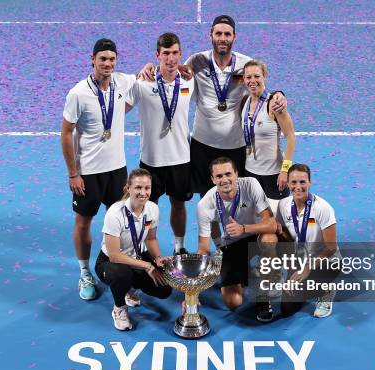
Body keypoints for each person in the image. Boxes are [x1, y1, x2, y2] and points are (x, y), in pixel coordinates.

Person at [140, 15, 287, 253]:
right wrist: (149, 67)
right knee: (209, 200)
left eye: (227, 34)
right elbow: (172, 69)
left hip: (236, 146)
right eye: (218, 34)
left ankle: (241, 244)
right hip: (202, 146)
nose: (222, 38)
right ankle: (221, 248)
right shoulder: (197, 61)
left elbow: (259, 86)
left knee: (237, 198)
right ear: (210, 36)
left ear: (234, 37)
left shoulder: (244, 64)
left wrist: (278, 93)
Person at [61, 38, 136, 301]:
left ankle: (123, 271)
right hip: (89, 173)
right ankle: (84, 272)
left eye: (112, 60)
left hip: (117, 170)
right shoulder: (78, 93)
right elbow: (66, 132)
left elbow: (145, 77)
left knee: (123, 224)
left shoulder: (123, 82)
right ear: (92, 60)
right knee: (84, 222)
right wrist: (73, 173)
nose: (107, 64)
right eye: (102, 59)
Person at [126, 32, 195, 255]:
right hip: (151, 159)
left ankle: (179, 247)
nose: (171, 58)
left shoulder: (188, 80)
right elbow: (122, 107)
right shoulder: (142, 82)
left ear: (181, 54)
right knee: (146, 207)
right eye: (166, 53)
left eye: (175, 53)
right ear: (157, 55)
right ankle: (146, 249)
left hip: (181, 158)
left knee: (179, 204)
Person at [197, 157, 278, 322]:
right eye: (219, 176)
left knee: (269, 239)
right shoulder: (205, 204)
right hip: (232, 244)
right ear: (213, 179)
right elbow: (204, 249)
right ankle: (248, 273)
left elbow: (271, 224)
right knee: (233, 302)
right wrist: (192, 292)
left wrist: (244, 228)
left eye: (228, 174)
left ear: (236, 174)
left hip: (257, 235)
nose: (225, 179)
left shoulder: (251, 184)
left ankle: (263, 295)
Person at [95, 169, 172, 331]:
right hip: (110, 262)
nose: (143, 193)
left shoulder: (152, 209)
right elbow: (115, 255)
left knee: (164, 289)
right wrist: (148, 266)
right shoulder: (115, 213)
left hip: (138, 257)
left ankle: (129, 288)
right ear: (128, 188)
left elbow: (150, 239)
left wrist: (157, 258)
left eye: (147, 188)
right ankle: (119, 307)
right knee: (121, 274)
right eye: (138, 188)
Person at [275, 164, 341, 318]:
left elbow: (331, 246)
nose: (298, 186)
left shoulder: (323, 208)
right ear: (288, 183)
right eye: (294, 182)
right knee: (287, 309)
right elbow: (283, 235)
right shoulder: (283, 205)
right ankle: (308, 286)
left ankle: (326, 290)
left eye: (302, 182)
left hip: (325, 260)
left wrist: (307, 268)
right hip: (300, 259)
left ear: (310, 182)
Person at [241, 59, 296, 214]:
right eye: (248, 77)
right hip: (250, 173)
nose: (252, 81)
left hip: (274, 174)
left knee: (281, 221)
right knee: (257, 219)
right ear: (244, 80)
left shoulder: (274, 103)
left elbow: (291, 136)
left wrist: (285, 170)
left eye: (257, 76)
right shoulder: (244, 102)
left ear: (264, 76)